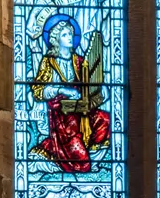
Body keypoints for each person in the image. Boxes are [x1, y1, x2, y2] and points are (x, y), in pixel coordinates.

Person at [30, 14, 110, 173]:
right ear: (55, 39)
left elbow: (90, 83)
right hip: (62, 116)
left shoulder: (79, 61)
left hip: (82, 110)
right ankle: (58, 160)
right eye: (64, 35)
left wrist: (100, 89)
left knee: (105, 120)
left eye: (71, 34)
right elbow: (38, 91)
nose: (69, 38)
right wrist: (60, 90)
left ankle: (91, 158)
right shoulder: (49, 62)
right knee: (79, 161)